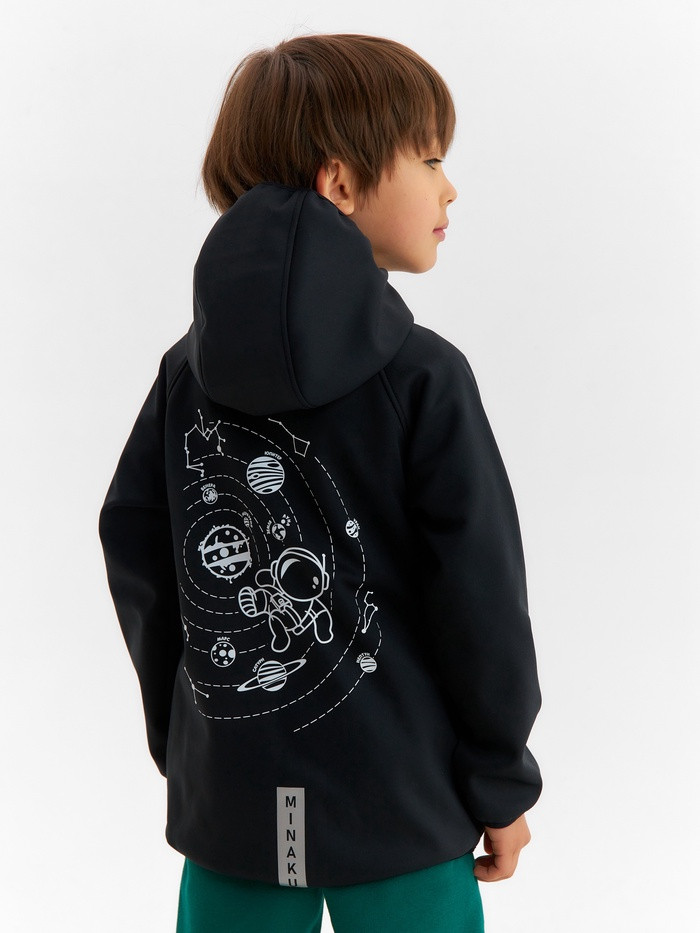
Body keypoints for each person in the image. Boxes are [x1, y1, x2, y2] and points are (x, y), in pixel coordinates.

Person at [98, 32, 542, 933]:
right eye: (430, 158)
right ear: (340, 182)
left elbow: (136, 549)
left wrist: (190, 741)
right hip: (405, 810)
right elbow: (480, 597)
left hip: (232, 808)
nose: (450, 188)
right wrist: (499, 779)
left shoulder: (185, 373)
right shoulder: (422, 376)